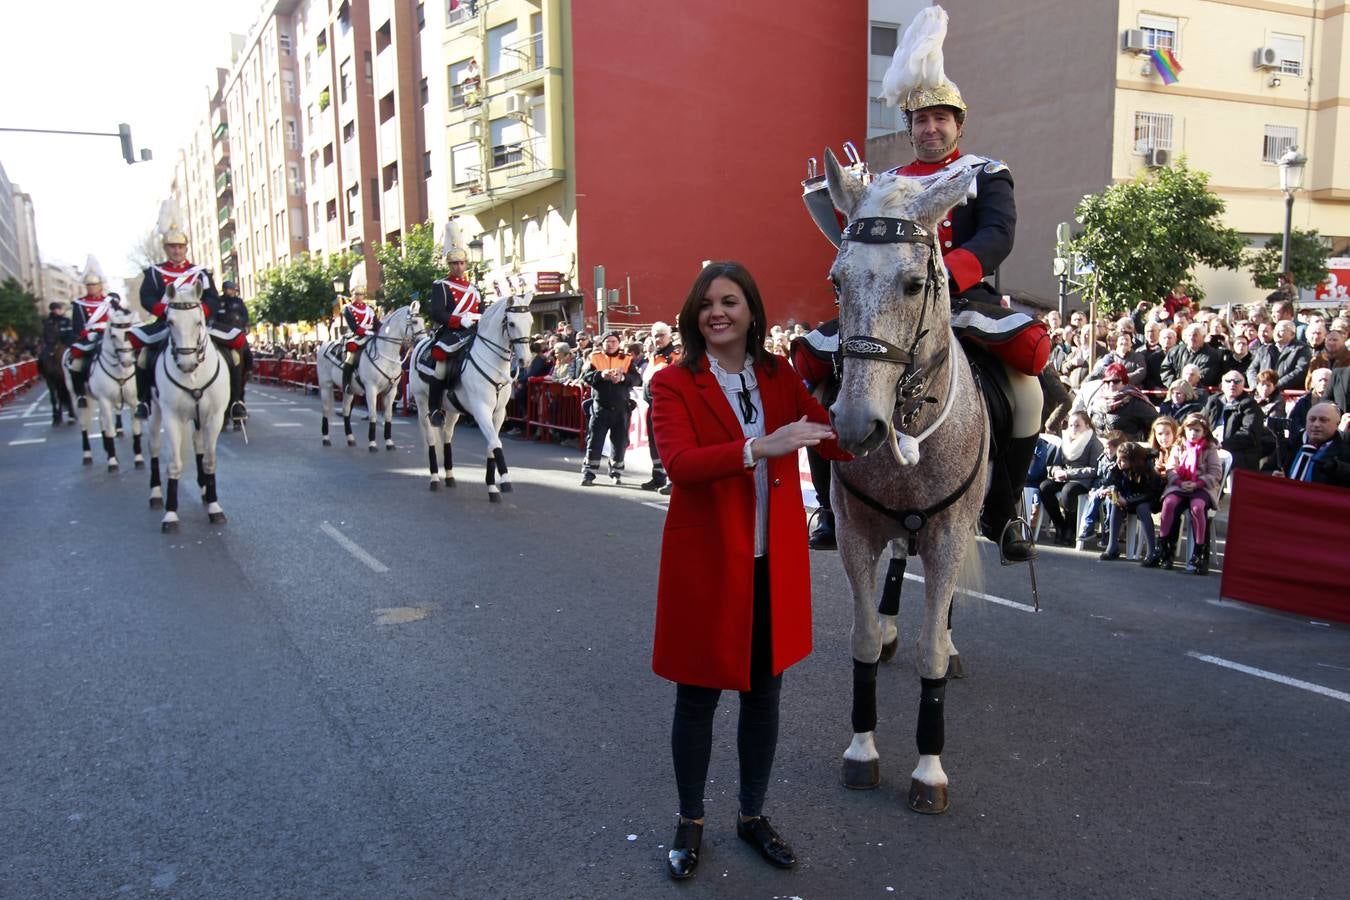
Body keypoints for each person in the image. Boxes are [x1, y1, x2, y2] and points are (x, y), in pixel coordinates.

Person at [797, 6, 1048, 562]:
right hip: (889, 310)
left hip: (962, 301)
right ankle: (828, 505)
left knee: (1030, 392)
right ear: (908, 128)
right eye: (921, 120)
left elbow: (997, 238)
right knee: (821, 384)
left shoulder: (985, 173)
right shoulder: (882, 184)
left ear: (959, 123)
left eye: (941, 118)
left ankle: (1002, 513)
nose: (931, 128)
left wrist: (945, 277)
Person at [649, 261, 844, 881]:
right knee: (698, 696)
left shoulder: (776, 374)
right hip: (707, 563)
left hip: (772, 562)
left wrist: (882, 415)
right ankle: (689, 820)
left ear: (752, 312)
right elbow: (680, 464)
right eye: (706, 303)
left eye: (730, 301)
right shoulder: (672, 382)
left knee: (764, 697)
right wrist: (760, 446)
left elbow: (828, 433)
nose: (718, 312)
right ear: (693, 315)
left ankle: (752, 815)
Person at [131, 202, 219, 419]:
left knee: (236, 346)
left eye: (180, 247)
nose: (177, 250)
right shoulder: (154, 273)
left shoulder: (200, 273)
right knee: (142, 354)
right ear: (166, 249)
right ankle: (144, 400)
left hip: (199, 324)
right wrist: (166, 312)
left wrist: (200, 313)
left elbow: (212, 298)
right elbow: (147, 298)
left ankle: (236, 400)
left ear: (186, 249)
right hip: (166, 323)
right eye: (172, 247)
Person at [1145, 413, 1222, 574]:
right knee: (1169, 503)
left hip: (1202, 487)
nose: (1193, 433)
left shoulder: (1210, 448)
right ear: (1184, 430)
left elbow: (1215, 473)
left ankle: (1199, 553)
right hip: (1180, 485)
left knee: (1197, 507)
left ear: (1204, 431)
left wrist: (1197, 483)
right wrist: (1179, 482)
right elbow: (1171, 468)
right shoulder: (1179, 446)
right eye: (1190, 430)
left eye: (1197, 430)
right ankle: (1164, 549)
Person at [427, 222, 482, 427]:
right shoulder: (440, 285)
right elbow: (437, 313)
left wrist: (479, 320)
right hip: (452, 332)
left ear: (466, 264)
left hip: (474, 332)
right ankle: (435, 410)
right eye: (454, 264)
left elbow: (481, 311)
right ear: (449, 265)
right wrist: (460, 320)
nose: (458, 267)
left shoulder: (474, 289)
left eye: (461, 263)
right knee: (441, 365)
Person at [580, 331, 641, 485]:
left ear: (618, 343)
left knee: (619, 441)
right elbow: (586, 377)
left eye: (614, 341)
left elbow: (636, 379)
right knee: (594, 440)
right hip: (601, 407)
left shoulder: (627, 359)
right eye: (608, 341)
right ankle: (589, 472)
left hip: (621, 408)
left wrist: (623, 378)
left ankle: (616, 472)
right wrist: (601, 375)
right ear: (603, 343)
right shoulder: (595, 357)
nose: (611, 344)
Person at [1038, 411, 1103, 546]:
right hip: (1063, 477)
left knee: (1069, 490)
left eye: (1077, 425)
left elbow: (1094, 469)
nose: (1073, 428)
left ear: (1087, 425)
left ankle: (1070, 527)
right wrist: (1057, 472)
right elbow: (1056, 463)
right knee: (1045, 487)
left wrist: (1069, 474)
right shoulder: (1065, 441)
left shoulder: (1093, 442)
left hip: (1081, 481)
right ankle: (1059, 524)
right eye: (1071, 425)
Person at [1098, 441, 1164, 562]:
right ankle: (1112, 546)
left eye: (1123, 460)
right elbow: (1111, 481)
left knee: (1142, 508)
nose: (1118, 462)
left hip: (1147, 500)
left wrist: (1128, 501)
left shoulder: (1149, 470)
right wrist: (1111, 490)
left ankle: (1151, 551)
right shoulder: (1117, 467)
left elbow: (1150, 494)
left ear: (1134, 461)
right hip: (1126, 498)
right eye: (1117, 458)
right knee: (1114, 503)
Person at [66, 257, 115, 408]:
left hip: (109, 335)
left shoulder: (110, 301)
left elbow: (118, 318)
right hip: (89, 337)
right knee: (76, 363)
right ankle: (80, 393)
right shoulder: (79, 304)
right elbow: (77, 325)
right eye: (89, 285)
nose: (92, 288)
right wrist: (85, 334)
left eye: (94, 285)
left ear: (100, 285)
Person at [640, 321, 681, 493]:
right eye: (655, 335)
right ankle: (658, 477)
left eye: (661, 335)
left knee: (669, 444)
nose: (658, 339)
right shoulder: (654, 355)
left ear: (669, 336)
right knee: (654, 443)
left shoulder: (674, 355)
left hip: (667, 406)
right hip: (653, 404)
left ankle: (673, 481)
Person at [1202, 370, 1266, 471]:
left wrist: (1222, 444)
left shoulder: (1250, 405)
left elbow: (1249, 434)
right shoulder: (1213, 401)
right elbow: (1200, 422)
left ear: (1243, 385)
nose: (1232, 384)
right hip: (1211, 446)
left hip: (1237, 452)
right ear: (1222, 385)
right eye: (1228, 381)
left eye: (1237, 381)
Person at [208, 279, 251, 420]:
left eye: (233, 289)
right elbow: (212, 318)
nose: (231, 291)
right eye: (229, 289)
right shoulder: (218, 302)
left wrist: (245, 325)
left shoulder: (239, 302)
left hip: (236, 337)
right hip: (221, 337)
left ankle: (247, 373)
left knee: (246, 356)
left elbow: (245, 317)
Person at [1280, 402, 1350, 487]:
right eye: (1312, 419)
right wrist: (1274, 475)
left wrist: (1336, 468)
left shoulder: (1345, 453)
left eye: (1323, 420)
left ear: (1337, 424)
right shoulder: (1289, 445)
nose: (1316, 424)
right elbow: (1266, 470)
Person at [339, 262, 380, 397]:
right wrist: (367, 332)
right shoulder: (348, 309)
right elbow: (354, 327)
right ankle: (346, 384)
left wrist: (383, 329)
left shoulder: (370, 309)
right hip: (356, 338)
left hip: (371, 336)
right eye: (357, 294)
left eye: (361, 294)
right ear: (352, 294)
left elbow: (376, 324)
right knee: (350, 358)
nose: (359, 296)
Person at [1088, 362, 1156, 440]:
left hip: (1127, 449)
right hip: (1101, 449)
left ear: (1124, 382)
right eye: (1107, 381)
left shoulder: (1134, 401)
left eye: (1115, 381)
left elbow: (1157, 423)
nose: (1111, 384)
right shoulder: (1097, 400)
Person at [1247, 320, 1311, 395]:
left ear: (1292, 334)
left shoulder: (1301, 349)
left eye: (1281, 331)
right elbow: (1252, 369)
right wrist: (1256, 385)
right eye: (1275, 330)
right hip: (1262, 393)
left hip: (1287, 395)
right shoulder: (1264, 349)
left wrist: (1274, 386)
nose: (1277, 334)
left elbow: (1300, 371)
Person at [39, 301, 76, 424]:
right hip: (51, 345)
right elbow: (45, 335)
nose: (58, 311)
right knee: (42, 357)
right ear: (53, 310)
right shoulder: (48, 321)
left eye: (59, 309)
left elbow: (71, 334)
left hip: (65, 344)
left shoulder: (66, 321)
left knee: (74, 355)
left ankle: (75, 371)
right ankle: (42, 372)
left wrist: (67, 344)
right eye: (56, 309)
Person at [1286, 366, 1335, 452]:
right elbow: (1294, 424)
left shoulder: (1338, 400)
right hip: (1304, 443)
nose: (1323, 383)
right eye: (1320, 380)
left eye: (1326, 380)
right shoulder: (1303, 401)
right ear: (1313, 383)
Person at [1162, 323, 1223, 390]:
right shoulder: (1175, 352)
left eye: (1195, 335)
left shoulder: (1212, 354)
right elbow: (1165, 370)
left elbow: (1206, 376)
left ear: (1203, 337)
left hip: (1198, 393)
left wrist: (1186, 388)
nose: (1191, 338)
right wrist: (1175, 385)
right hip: (1176, 392)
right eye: (1189, 335)